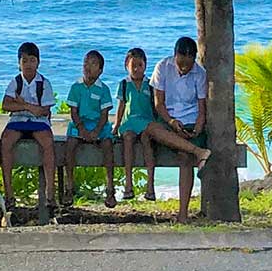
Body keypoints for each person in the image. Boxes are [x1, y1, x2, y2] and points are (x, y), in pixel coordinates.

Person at [150, 33, 212, 222]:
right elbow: (158, 104)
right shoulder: (162, 67)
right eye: (181, 62)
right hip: (168, 120)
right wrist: (171, 122)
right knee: (152, 129)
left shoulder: (199, 74)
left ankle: (183, 214)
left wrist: (197, 129)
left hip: (191, 121)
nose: (184, 67)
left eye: (188, 63)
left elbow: (202, 109)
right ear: (175, 55)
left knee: (185, 159)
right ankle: (199, 151)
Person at [0, 40, 57, 218]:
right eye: (24, 61)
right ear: (19, 63)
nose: (28, 65)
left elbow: (45, 110)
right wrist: (29, 107)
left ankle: (50, 192)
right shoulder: (16, 81)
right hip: (18, 120)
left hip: (39, 122)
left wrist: (23, 104)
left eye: (32, 60)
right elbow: (6, 105)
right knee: (6, 141)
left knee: (47, 143)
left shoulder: (44, 83)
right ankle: (9, 192)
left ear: (38, 62)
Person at [66, 48, 117, 208]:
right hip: (79, 124)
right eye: (86, 62)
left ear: (100, 70)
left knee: (108, 146)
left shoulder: (103, 89)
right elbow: (73, 112)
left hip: (98, 125)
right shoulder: (76, 87)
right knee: (70, 145)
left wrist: (96, 131)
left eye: (93, 63)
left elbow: (104, 114)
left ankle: (110, 187)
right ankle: (69, 185)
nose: (88, 66)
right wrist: (81, 129)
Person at [113, 45, 157, 202]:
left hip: (146, 121)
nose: (137, 69)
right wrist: (117, 125)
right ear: (127, 66)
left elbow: (155, 106)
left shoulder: (150, 84)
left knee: (147, 142)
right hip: (129, 122)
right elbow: (121, 106)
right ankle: (128, 184)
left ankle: (150, 186)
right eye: (133, 66)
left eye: (140, 65)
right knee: (128, 140)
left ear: (145, 66)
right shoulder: (124, 84)